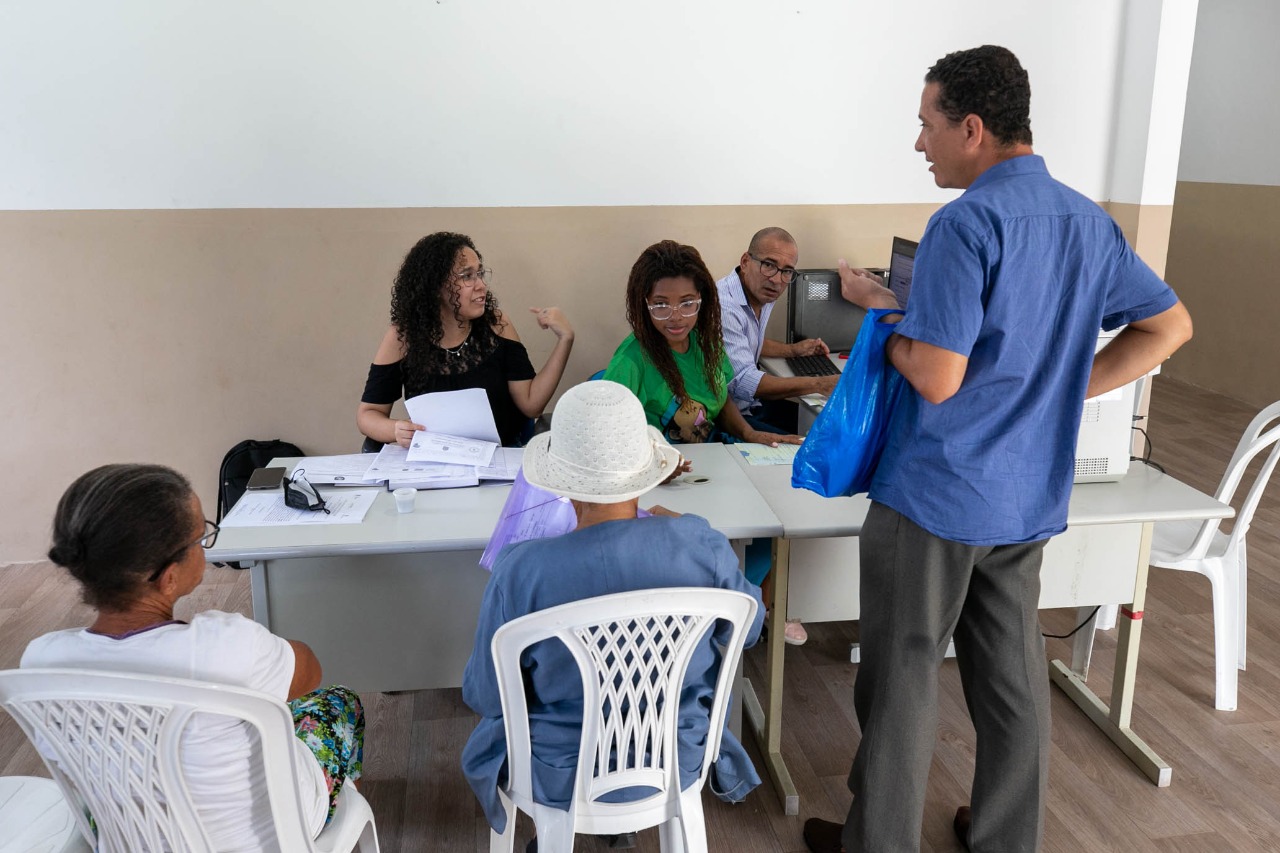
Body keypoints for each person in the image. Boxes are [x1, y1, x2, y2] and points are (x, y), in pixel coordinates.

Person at [802, 46, 1193, 853]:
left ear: (972, 128)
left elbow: (937, 376)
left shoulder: (965, 223)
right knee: (1012, 681)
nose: (920, 142)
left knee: (904, 675)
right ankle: (1006, 839)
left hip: (936, 496)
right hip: (1026, 494)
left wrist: (882, 323)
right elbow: (1170, 326)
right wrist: (1066, 388)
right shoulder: (1089, 222)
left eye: (927, 124)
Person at [461, 380, 766, 848]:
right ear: (646, 473)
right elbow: (750, 629)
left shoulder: (521, 570)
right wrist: (684, 528)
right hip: (678, 756)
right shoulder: (701, 545)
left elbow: (485, 694)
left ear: (563, 485)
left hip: (557, 770)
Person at [22, 464, 364, 850]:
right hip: (266, 839)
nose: (204, 544)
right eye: (201, 538)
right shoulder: (226, 645)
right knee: (336, 703)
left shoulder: (40, 661)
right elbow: (310, 672)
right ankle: (334, 804)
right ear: (169, 577)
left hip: (131, 838)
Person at [357, 231, 574, 449]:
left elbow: (531, 405)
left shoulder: (497, 324)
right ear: (436, 287)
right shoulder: (404, 336)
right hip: (434, 458)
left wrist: (565, 339)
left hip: (499, 455)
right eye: (467, 276)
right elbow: (368, 414)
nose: (481, 285)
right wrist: (395, 429)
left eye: (480, 273)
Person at [604, 239, 802, 448]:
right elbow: (606, 435)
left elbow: (720, 396)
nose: (676, 317)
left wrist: (749, 433)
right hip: (663, 462)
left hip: (711, 449)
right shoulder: (630, 360)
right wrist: (658, 460)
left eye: (687, 303)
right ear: (644, 304)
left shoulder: (705, 342)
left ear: (701, 298)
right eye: (661, 304)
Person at [717, 226, 839, 435]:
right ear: (745, 262)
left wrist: (793, 350)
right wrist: (820, 383)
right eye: (768, 265)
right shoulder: (725, 308)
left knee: (830, 425)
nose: (776, 279)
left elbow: (745, 341)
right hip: (731, 418)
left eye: (786, 271)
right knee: (819, 439)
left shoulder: (759, 291)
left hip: (752, 405)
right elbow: (746, 383)